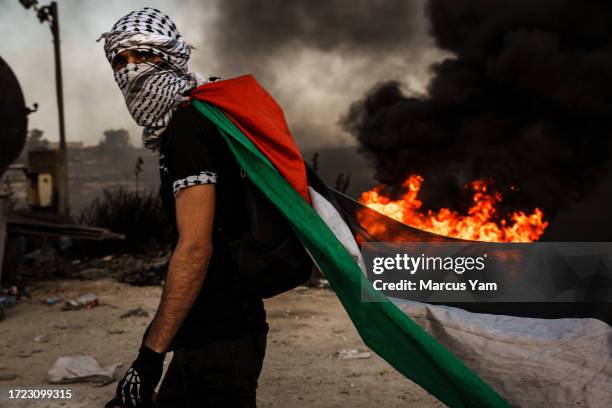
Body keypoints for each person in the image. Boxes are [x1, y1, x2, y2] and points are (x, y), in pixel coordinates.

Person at [98, 8, 268, 408]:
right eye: (119, 60)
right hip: (211, 335)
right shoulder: (192, 122)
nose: (129, 69)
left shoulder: (187, 130)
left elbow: (195, 247)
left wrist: (148, 359)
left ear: (171, 56)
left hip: (222, 337)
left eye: (142, 55)